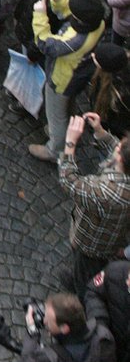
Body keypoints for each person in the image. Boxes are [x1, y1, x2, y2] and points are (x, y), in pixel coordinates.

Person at [30, 0, 106, 163]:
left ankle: (55, 150)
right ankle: (67, 132)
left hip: (61, 80)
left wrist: (40, 15)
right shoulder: (99, 23)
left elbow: (45, 44)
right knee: (66, 109)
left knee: (56, 115)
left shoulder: (75, 41)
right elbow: (73, 12)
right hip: (77, 77)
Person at [57, 113, 130, 295]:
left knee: (85, 273)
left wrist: (70, 143)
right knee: (83, 267)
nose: (117, 144)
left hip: (92, 244)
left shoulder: (109, 192)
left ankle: (82, 295)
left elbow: (70, 181)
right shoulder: (124, 169)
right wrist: (100, 131)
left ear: (120, 159)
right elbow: (117, 147)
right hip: (110, 237)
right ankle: (77, 278)